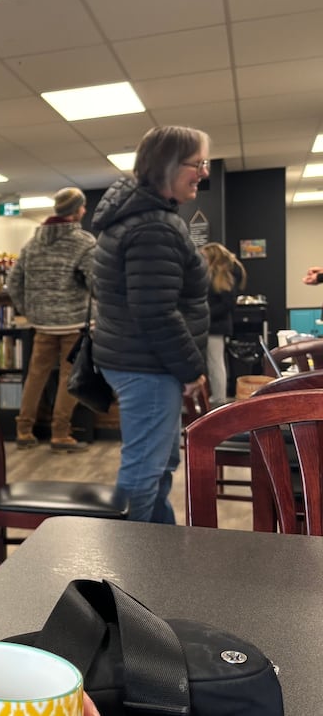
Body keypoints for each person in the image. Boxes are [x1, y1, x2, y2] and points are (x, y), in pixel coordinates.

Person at [91, 126, 211, 524]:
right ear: (170, 167)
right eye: (199, 164)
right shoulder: (153, 226)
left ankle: (160, 552)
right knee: (144, 475)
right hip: (148, 365)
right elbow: (155, 311)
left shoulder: (140, 217)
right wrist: (190, 368)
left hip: (143, 360)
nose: (204, 173)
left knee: (157, 467)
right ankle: (128, 568)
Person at [7, 187, 96, 453]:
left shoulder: (32, 243)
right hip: (74, 323)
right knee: (70, 377)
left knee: (36, 376)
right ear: (77, 210)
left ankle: (23, 430)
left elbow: (13, 283)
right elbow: (97, 282)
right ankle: (60, 434)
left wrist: (30, 310)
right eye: (83, 207)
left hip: (41, 324)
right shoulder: (84, 242)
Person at [198, 242, 246, 404]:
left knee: (215, 363)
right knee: (214, 362)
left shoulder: (222, 277)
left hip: (215, 326)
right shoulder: (220, 275)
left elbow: (227, 305)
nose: (202, 260)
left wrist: (205, 315)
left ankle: (218, 399)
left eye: (205, 257)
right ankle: (215, 397)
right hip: (213, 325)